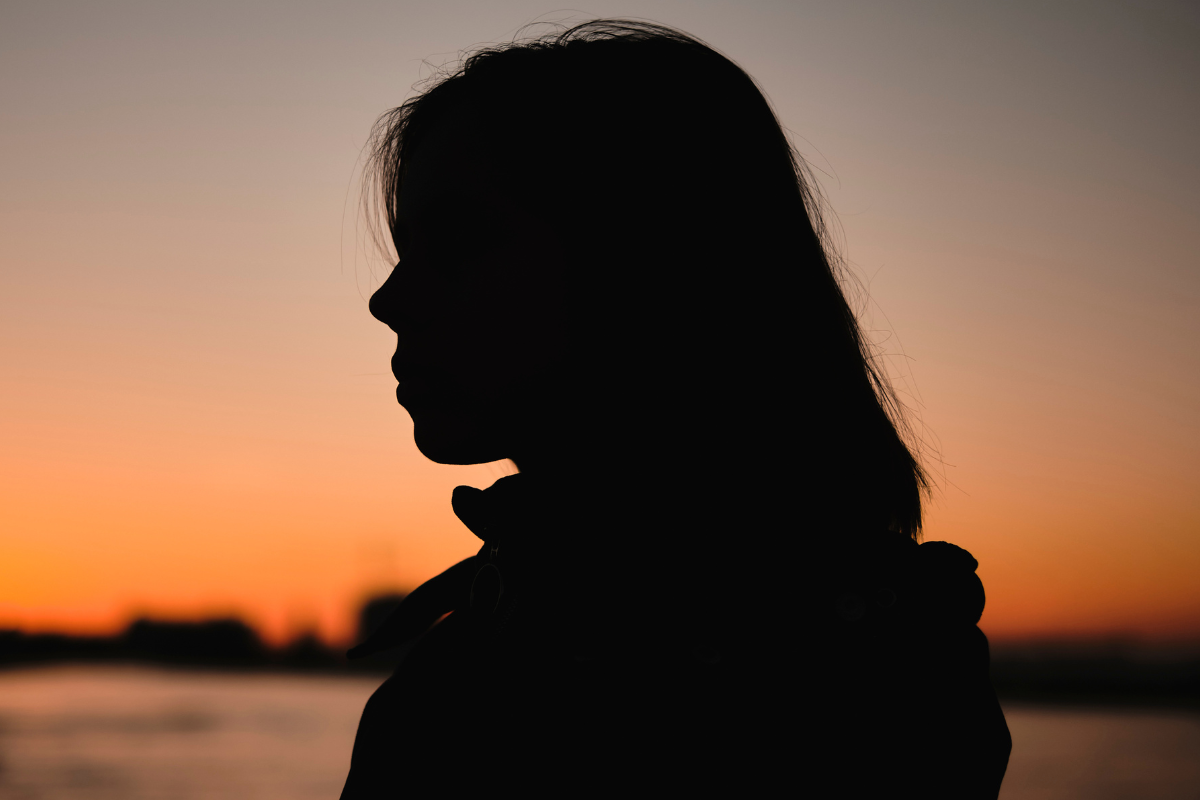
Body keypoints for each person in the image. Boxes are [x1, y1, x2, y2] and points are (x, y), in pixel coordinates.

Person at [341, 19, 1011, 798]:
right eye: (403, 248)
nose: (388, 299)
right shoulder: (483, 658)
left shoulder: (874, 691)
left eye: (458, 242)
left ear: (656, 259)